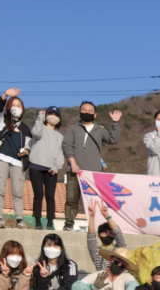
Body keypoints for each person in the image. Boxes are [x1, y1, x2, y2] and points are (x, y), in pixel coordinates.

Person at [62, 101, 122, 231]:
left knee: (93, 201)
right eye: (84, 110)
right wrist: (73, 163)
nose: (87, 112)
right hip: (74, 170)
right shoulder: (73, 128)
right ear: (80, 112)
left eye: (90, 110)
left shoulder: (100, 129)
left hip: (93, 173)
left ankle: (95, 225)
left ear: (95, 114)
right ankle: (69, 224)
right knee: (71, 199)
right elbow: (67, 145)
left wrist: (115, 123)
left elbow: (113, 139)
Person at [0, 87, 32, 229]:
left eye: (18, 105)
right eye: (13, 105)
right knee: (0, 190)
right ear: (8, 108)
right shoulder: (1, 120)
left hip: (18, 162)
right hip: (1, 158)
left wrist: (26, 150)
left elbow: (29, 144)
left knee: (17, 192)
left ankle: (19, 219)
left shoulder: (25, 128)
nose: (16, 108)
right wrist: (5, 95)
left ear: (23, 109)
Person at [28, 106, 64, 230]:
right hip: (36, 166)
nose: (53, 116)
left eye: (56, 115)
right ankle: (37, 221)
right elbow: (35, 133)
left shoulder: (60, 136)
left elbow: (60, 154)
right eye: (51, 114)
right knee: (38, 194)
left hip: (51, 169)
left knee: (50, 196)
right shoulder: (40, 128)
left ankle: (50, 223)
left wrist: (56, 167)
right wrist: (40, 116)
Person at [87, 201, 127, 271]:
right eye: (104, 233)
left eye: (110, 233)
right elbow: (91, 239)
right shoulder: (99, 253)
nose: (108, 235)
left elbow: (118, 233)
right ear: (99, 236)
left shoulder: (119, 249)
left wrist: (107, 216)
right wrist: (92, 216)